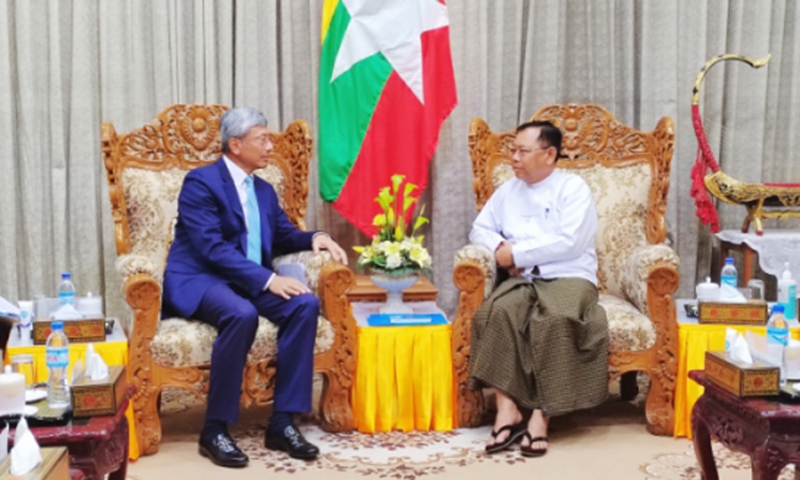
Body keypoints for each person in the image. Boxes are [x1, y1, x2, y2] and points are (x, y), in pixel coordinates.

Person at [162, 107, 348, 468]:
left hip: (245, 279)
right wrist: (268, 279)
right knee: (240, 313)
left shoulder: (262, 190)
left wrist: (317, 237)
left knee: (304, 305)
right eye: (262, 138)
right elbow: (210, 248)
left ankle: (282, 423)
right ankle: (215, 429)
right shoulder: (200, 182)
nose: (270, 145)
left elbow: (280, 236)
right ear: (235, 144)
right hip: (201, 278)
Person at [468, 120, 608, 457]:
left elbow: (570, 242)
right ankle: (507, 407)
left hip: (570, 276)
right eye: (512, 150)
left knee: (554, 320)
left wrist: (517, 253)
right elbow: (479, 229)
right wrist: (501, 246)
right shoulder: (507, 191)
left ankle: (541, 415)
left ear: (549, 154)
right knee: (495, 313)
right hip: (526, 279)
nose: (513, 158)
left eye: (522, 151)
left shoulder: (573, 189)